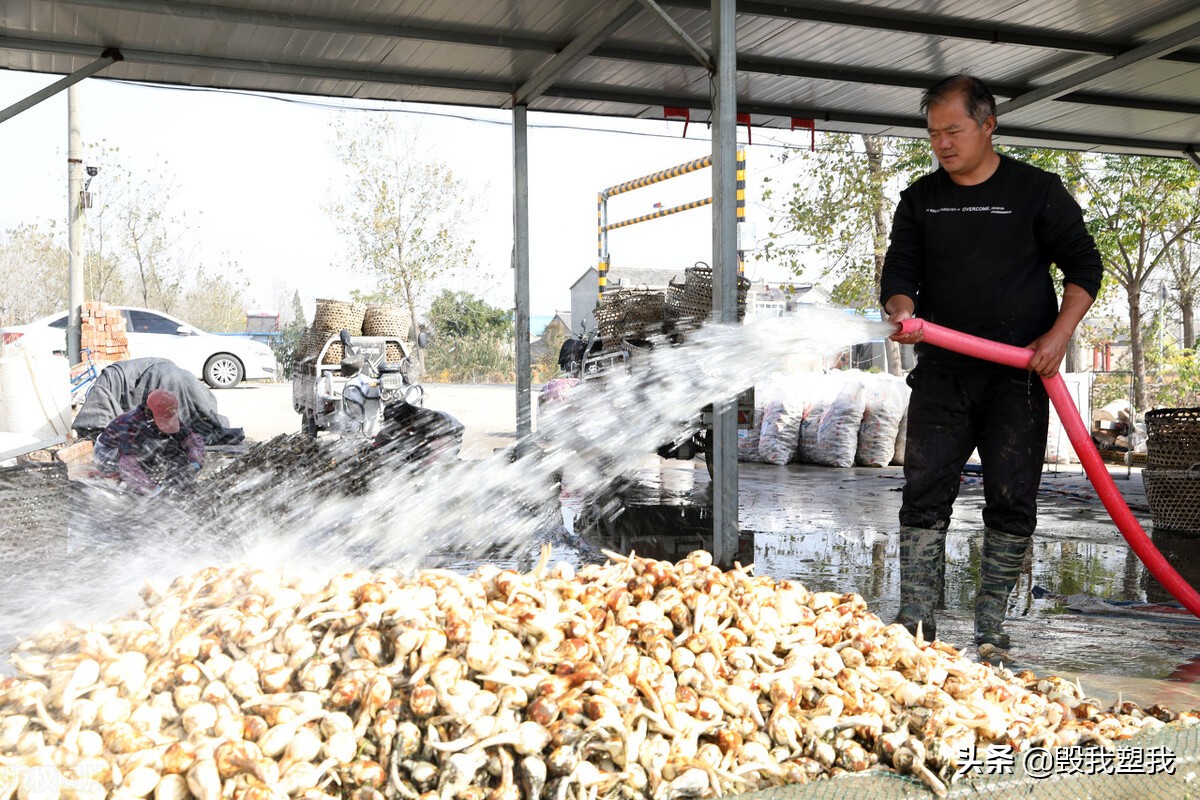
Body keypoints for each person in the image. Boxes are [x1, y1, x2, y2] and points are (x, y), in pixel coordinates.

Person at [880, 74, 1103, 649]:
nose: (943, 144)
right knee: (924, 494)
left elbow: (1084, 267)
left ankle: (991, 629)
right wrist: (901, 309)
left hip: (1020, 378)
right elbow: (900, 271)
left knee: (1011, 499)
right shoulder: (920, 200)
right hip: (942, 375)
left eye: (953, 130)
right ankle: (916, 623)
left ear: (988, 125)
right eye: (933, 134)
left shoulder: (1037, 191)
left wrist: (1058, 335)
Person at [93, 388, 206, 496]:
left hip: (136, 448)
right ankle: (136, 488)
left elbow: (190, 440)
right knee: (150, 447)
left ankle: (172, 486)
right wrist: (152, 490)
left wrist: (195, 462)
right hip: (106, 453)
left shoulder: (168, 413)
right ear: (148, 412)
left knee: (174, 450)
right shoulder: (130, 424)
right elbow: (128, 465)